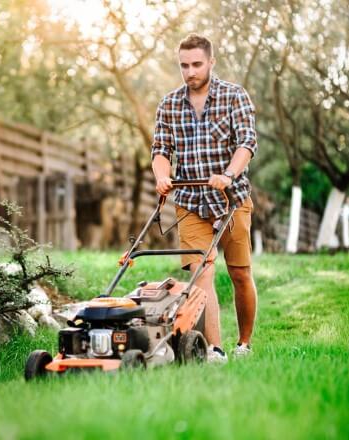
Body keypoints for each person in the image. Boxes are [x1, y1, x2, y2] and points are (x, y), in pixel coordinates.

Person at [150, 34, 258, 363]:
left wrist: (228, 174)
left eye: (196, 64)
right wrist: (162, 176)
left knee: (240, 274)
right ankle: (215, 350)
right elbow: (161, 150)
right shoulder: (169, 105)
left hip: (231, 198)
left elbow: (247, 142)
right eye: (184, 65)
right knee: (202, 275)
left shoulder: (234, 96)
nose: (190, 71)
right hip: (191, 202)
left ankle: (243, 343)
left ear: (211, 62)